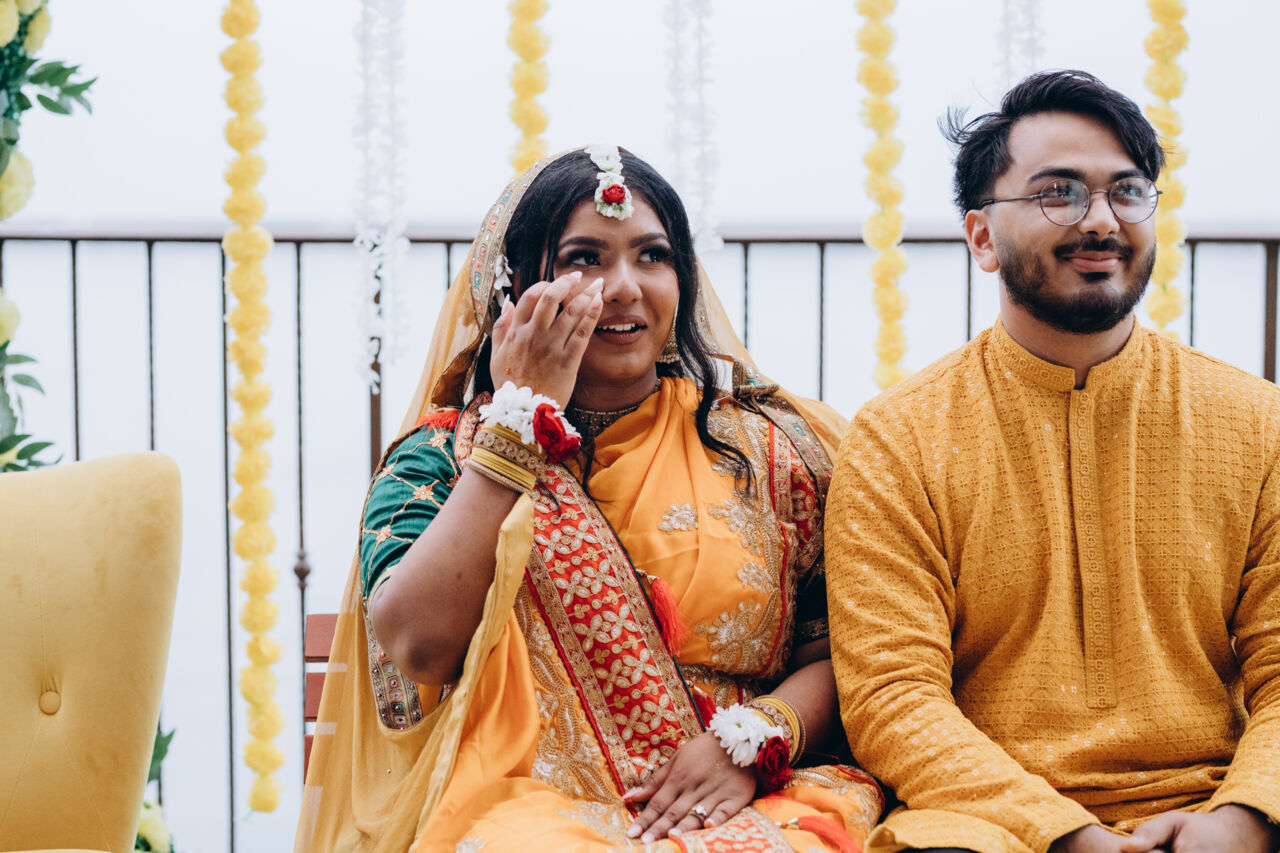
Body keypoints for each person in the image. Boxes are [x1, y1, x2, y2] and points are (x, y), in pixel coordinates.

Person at [296, 146, 882, 852]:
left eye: (652, 255)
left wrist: (753, 742)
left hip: (754, 790)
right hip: (521, 807)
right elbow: (419, 648)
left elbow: (851, 652)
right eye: (585, 259)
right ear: (515, 289)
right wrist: (515, 427)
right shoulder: (442, 458)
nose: (624, 286)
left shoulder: (773, 450)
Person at [826, 70, 1280, 853]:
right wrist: (1066, 834)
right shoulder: (898, 437)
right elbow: (892, 696)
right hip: (986, 822)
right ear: (981, 237)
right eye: (1058, 193)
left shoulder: (1255, 420)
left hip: (1213, 801)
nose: (1100, 220)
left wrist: (1246, 818)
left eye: (1126, 191)